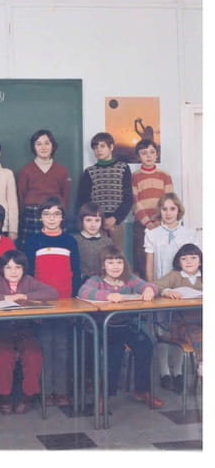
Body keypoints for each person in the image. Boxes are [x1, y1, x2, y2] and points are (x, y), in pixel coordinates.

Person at [78, 246, 163, 409]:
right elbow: (84, 291)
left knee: (145, 344)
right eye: (110, 262)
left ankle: (142, 390)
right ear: (103, 265)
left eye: (119, 262)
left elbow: (150, 286)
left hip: (125, 325)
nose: (115, 266)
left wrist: (148, 290)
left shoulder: (129, 279)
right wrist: (108, 295)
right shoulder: (96, 280)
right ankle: (105, 395)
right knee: (115, 353)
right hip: (103, 327)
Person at [0, 250, 58, 415]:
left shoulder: (28, 281)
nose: (13, 272)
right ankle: (4, 395)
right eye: (9, 267)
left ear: (24, 269)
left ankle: (27, 395)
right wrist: (6, 298)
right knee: (3, 356)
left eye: (18, 267)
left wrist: (25, 296)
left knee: (33, 355)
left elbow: (52, 292)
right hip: (1, 331)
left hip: (24, 331)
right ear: (2, 269)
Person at [22, 196, 80, 406]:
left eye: (56, 214)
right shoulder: (33, 241)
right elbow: (28, 276)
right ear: (40, 217)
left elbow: (76, 272)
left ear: (62, 217)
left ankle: (61, 390)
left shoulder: (69, 241)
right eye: (47, 214)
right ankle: (45, 390)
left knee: (62, 347)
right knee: (44, 346)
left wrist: (74, 303)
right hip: (42, 304)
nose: (51, 218)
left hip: (65, 303)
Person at [143, 192, 198, 391]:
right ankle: (164, 371)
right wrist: (152, 287)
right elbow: (150, 264)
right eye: (164, 209)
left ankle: (178, 371)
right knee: (162, 329)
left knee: (180, 328)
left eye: (172, 209)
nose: (168, 213)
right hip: (162, 287)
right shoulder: (152, 234)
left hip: (183, 290)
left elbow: (195, 261)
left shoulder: (189, 234)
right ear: (160, 211)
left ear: (178, 210)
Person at [154, 244, 203, 384]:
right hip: (181, 322)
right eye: (184, 258)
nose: (189, 262)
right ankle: (202, 362)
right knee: (195, 333)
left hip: (202, 318)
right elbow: (156, 285)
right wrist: (166, 291)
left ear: (200, 261)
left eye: (193, 258)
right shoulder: (175, 275)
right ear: (178, 262)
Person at [76, 132, 133, 251]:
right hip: (96, 221)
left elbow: (128, 198)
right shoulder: (89, 172)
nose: (99, 150)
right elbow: (85, 200)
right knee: (97, 253)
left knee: (116, 254)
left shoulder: (123, 168)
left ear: (111, 147)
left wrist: (115, 218)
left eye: (102, 146)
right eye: (95, 147)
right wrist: (97, 219)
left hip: (117, 221)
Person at [16, 129, 71, 247]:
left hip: (55, 214)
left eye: (47, 143)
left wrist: (57, 213)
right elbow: (20, 196)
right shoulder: (25, 170)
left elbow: (65, 197)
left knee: (57, 248)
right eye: (38, 144)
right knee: (31, 248)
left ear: (53, 145)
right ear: (33, 147)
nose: (43, 147)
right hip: (32, 215)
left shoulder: (62, 170)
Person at [131, 139, 174, 278]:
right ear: (138, 156)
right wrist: (148, 223)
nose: (148, 156)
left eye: (152, 152)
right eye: (144, 153)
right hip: (142, 224)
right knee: (142, 257)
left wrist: (159, 220)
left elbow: (169, 200)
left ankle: (163, 284)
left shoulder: (165, 175)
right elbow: (135, 202)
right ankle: (146, 285)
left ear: (157, 154)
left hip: (162, 223)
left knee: (163, 256)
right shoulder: (135, 177)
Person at [73, 202, 114, 282]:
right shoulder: (75, 241)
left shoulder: (107, 242)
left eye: (97, 220)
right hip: (81, 283)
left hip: (103, 283)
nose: (93, 225)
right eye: (88, 220)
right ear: (81, 221)